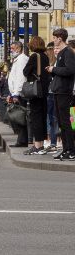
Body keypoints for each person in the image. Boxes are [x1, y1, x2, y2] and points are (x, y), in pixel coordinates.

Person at [46, 28, 75, 160]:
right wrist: (52, 71)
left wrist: (54, 69)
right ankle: (65, 149)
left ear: (60, 38)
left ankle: (71, 149)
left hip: (64, 91)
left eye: (54, 38)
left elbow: (70, 70)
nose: (53, 40)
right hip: (59, 90)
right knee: (61, 122)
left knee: (65, 122)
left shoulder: (67, 52)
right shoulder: (62, 52)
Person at [23, 36, 51, 155]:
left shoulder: (34, 56)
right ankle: (42, 144)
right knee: (42, 117)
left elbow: (25, 71)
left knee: (36, 118)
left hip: (36, 91)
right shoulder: (45, 56)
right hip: (44, 90)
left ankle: (37, 145)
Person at [6, 40, 29, 147]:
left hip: (19, 93)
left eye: (13, 48)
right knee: (19, 117)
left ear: (19, 48)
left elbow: (21, 77)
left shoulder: (21, 60)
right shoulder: (17, 59)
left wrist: (16, 93)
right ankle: (21, 140)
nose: (11, 50)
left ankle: (22, 140)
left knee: (20, 117)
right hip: (16, 93)